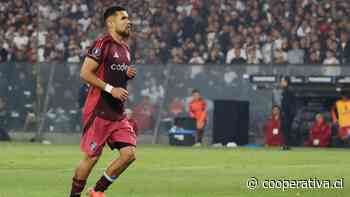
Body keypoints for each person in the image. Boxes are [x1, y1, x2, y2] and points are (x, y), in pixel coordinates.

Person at [69, 6, 137, 197]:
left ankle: (97, 191)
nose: (128, 21)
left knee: (129, 155)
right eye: (124, 18)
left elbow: (112, 72)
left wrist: (126, 74)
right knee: (92, 158)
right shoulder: (102, 44)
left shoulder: (125, 48)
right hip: (99, 111)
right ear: (111, 22)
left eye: (128, 18)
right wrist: (110, 89)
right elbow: (85, 73)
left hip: (118, 114)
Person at [280, 77, 296, 150]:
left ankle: (287, 145)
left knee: (287, 129)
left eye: (283, 81)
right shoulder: (285, 90)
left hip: (287, 114)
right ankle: (286, 144)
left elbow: (288, 104)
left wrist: (286, 113)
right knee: (285, 129)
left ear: (286, 82)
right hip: (286, 113)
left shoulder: (288, 90)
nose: (281, 83)